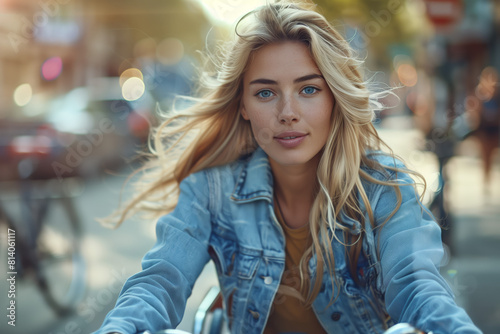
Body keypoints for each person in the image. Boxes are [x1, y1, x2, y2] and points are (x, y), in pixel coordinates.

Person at [94, 2, 482, 334]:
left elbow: (417, 284)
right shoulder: (209, 190)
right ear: (243, 105)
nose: (288, 113)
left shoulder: (382, 185)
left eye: (308, 89)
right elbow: (161, 281)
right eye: (266, 93)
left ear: (334, 97)